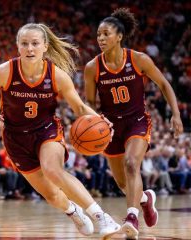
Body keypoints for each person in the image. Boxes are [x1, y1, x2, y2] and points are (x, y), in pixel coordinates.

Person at [0, 23, 120, 237]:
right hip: (15, 139)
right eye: (24, 44)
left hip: (46, 130)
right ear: (17, 46)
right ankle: (73, 210)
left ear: (45, 46)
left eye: (35, 43)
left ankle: (102, 218)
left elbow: (78, 107)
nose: (30, 48)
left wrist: (101, 121)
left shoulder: (57, 75)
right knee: (51, 196)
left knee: (53, 169)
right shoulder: (4, 71)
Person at [84, 8, 183, 239]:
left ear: (119, 36)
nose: (101, 38)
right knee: (121, 182)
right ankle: (145, 200)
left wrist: (176, 114)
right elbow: (89, 102)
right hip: (110, 127)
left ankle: (131, 217)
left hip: (137, 121)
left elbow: (164, 84)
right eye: (98, 34)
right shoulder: (92, 67)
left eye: (106, 34)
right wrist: (94, 122)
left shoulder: (138, 59)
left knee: (131, 164)